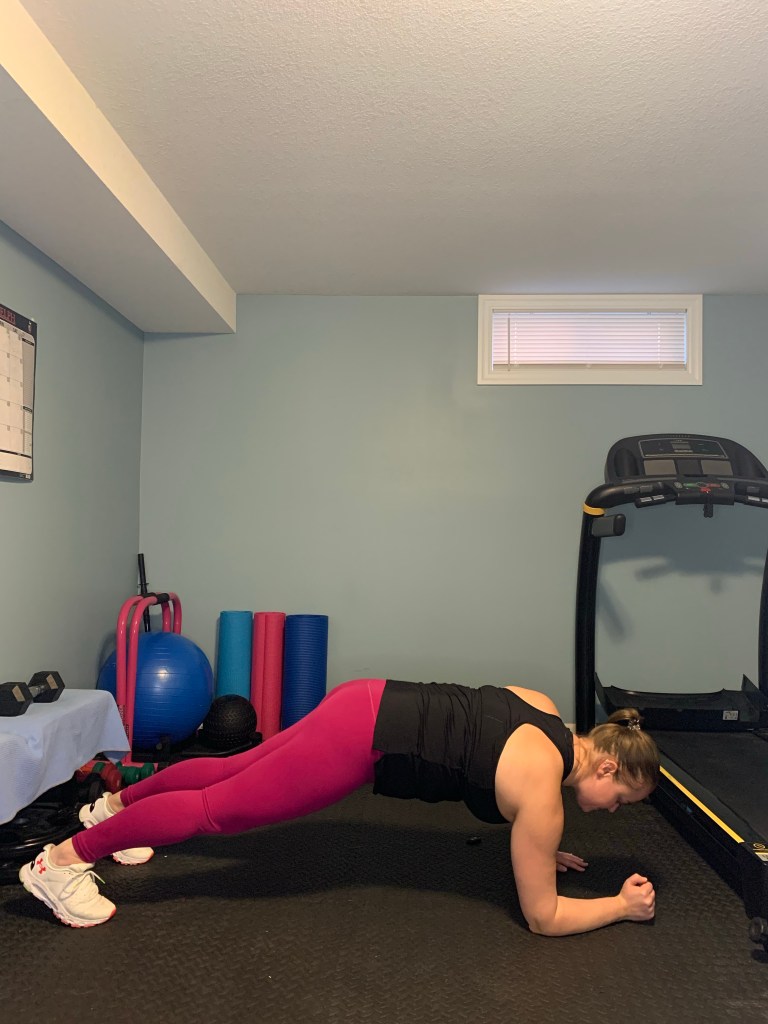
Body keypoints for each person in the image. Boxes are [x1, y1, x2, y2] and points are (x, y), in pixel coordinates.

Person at [19, 677, 659, 935]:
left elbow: (489, 747)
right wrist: (621, 906)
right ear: (607, 766)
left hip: (366, 697)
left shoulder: (544, 707)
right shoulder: (545, 797)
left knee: (234, 767)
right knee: (218, 811)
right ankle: (61, 863)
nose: (612, 810)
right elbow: (544, 918)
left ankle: (111, 808)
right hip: (360, 745)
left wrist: (541, 849)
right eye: (621, 799)